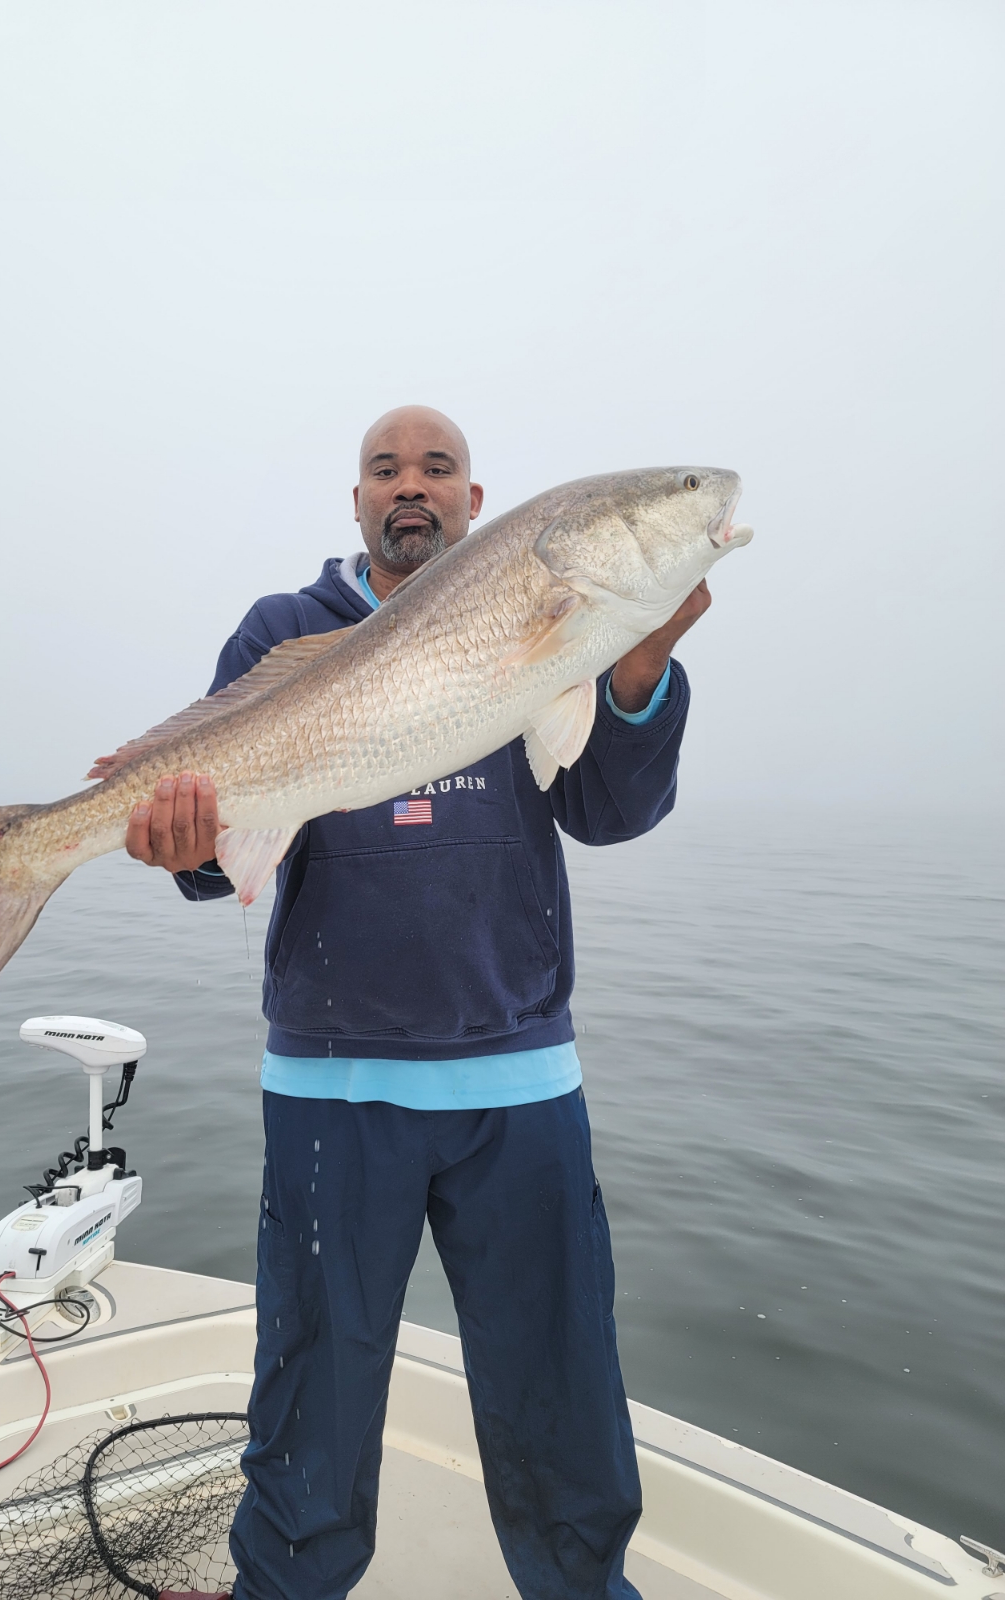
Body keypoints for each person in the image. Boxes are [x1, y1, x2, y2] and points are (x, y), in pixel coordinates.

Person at [127, 407, 710, 1600]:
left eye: (437, 469)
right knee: (314, 1398)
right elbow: (211, 846)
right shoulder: (284, 631)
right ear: (355, 502)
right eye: (386, 469)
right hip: (335, 1086)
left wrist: (639, 676)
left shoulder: (564, 623)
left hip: (522, 1081)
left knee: (562, 1391)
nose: (412, 486)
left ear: (476, 501)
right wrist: (176, 839)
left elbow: (604, 807)